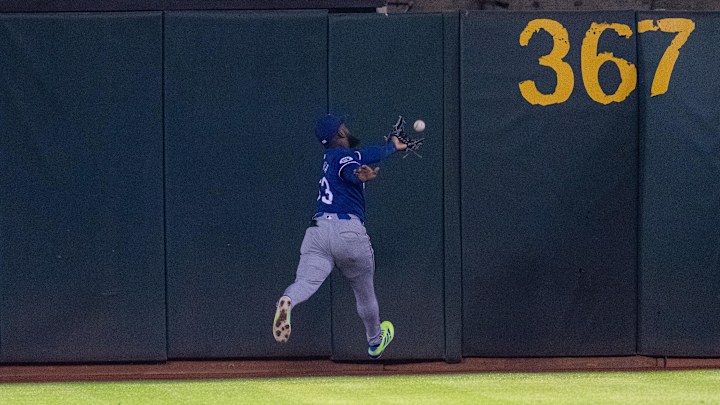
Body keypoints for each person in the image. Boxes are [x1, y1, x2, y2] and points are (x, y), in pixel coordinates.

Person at [273, 114, 407, 359]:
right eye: (343, 126)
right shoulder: (343, 157)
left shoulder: (330, 157)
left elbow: (366, 154)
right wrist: (359, 176)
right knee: (365, 292)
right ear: (341, 133)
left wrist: (391, 147)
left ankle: (288, 300)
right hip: (348, 231)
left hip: (318, 231)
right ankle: (375, 341)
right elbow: (350, 170)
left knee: (305, 282)